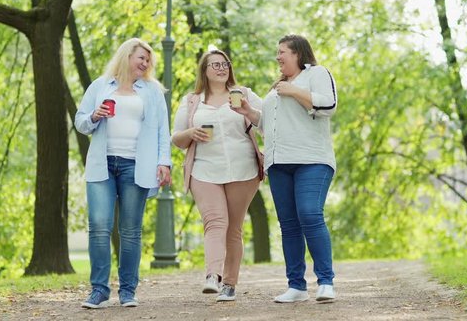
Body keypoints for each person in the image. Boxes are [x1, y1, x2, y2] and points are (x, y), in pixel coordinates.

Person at [231, 34, 338, 303]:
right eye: (277, 52)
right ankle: (296, 286)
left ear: (298, 53)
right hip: (279, 162)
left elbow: (328, 105)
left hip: (312, 159)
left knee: (310, 214)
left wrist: (294, 91)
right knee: (289, 225)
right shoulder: (278, 86)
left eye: (283, 52)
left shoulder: (317, 74)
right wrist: (250, 113)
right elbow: (269, 125)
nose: (278, 57)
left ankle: (325, 282)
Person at [74, 38, 172, 309]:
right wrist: (94, 116)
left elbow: (163, 129)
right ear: (127, 56)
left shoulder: (152, 91)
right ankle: (99, 290)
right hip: (102, 164)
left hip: (135, 165)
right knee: (99, 226)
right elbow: (80, 121)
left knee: (130, 231)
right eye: (141, 58)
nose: (145, 63)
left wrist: (164, 162)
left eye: (148, 60)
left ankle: (128, 291)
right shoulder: (100, 85)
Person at [172, 49, 263, 302]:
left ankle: (230, 284)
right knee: (214, 222)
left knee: (233, 229)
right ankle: (213, 276)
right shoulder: (192, 101)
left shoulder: (243, 94)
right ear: (205, 71)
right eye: (215, 65)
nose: (222, 68)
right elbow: (176, 139)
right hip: (204, 170)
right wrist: (191, 133)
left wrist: (249, 113)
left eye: (225, 64)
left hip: (242, 170)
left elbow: (269, 123)